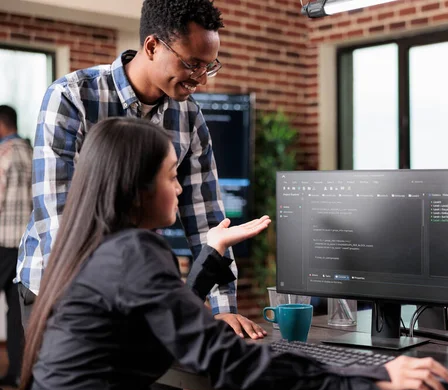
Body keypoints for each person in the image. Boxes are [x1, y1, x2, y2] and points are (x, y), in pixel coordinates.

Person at [18, 117, 448, 390]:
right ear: (137, 188)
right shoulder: (134, 251)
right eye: (172, 176)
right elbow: (224, 358)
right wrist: (372, 379)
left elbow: (162, 318)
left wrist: (210, 255)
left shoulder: (92, 247)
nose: (181, 188)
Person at [17, 0, 263, 343]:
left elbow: (206, 215)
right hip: (63, 286)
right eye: (193, 63)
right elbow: (59, 215)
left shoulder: (189, 117)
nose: (202, 79)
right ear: (151, 46)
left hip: (137, 291)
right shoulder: (73, 96)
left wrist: (223, 306)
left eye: (210, 66)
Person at [0, 105, 29, 388]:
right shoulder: (31, 153)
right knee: (15, 311)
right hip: (24, 245)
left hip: (2, 242)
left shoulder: (3, 154)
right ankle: (17, 373)